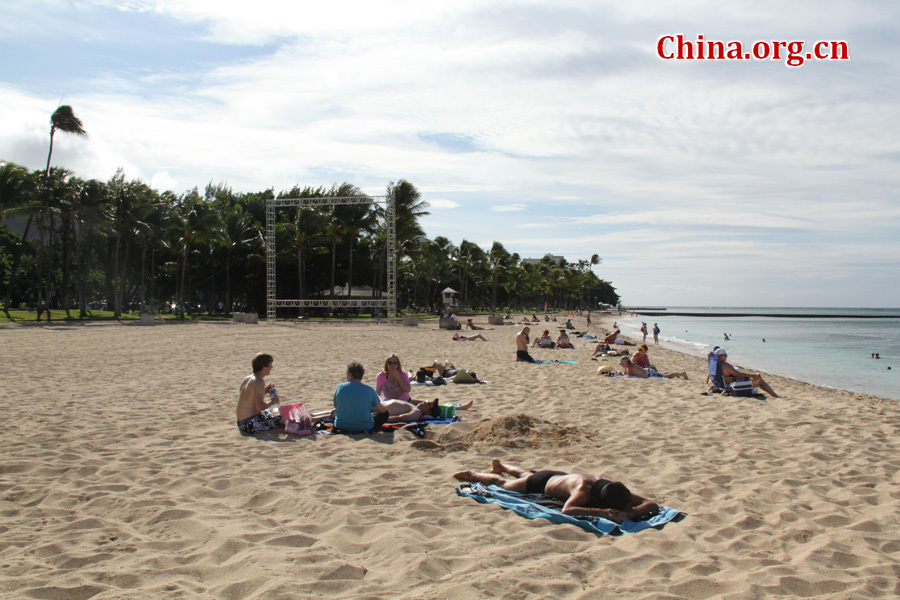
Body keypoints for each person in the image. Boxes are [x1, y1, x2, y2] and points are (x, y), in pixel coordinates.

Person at [453, 458, 659, 523]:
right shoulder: (584, 492)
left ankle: (504, 465)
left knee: (525, 473)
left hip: (558, 476)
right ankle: (474, 474)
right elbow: (567, 510)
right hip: (542, 484)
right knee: (504, 484)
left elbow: (651, 503)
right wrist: (602, 513)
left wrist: (634, 511)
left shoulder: (613, 488)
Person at [332, 361, 389, 432]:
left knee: (334, 413)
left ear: (350, 374)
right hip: (364, 426)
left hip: (341, 425)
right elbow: (382, 410)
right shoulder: (369, 389)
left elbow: (336, 405)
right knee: (384, 414)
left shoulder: (340, 387)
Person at [236, 353, 283, 435]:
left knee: (270, 413)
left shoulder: (248, 378)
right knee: (286, 419)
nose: (271, 367)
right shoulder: (259, 382)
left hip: (241, 423)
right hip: (251, 425)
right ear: (264, 367)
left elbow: (250, 397)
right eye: (270, 365)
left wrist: (265, 390)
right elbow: (259, 407)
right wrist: (273, 401)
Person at [714, 348, 779, 397]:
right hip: (733, 385)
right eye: (725, 355)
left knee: (752, 379)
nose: (726, 357)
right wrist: (752, 376)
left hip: (724, 384)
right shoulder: (725, 365)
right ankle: (775, 396)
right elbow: (738, 374)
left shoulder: (716, 365)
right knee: (760, 381)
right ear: (720, 356)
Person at [619, 357, 688, 379]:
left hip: (649, 373)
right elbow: (626, 373)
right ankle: (677, 374)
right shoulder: (629, 366)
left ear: (626, 363)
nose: (622, 365)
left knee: (667, 376)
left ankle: (682, 373)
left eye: (622, 364)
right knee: (663, 375)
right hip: (647, 371)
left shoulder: (631, 367)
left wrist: (621, 374)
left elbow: (628, 376)